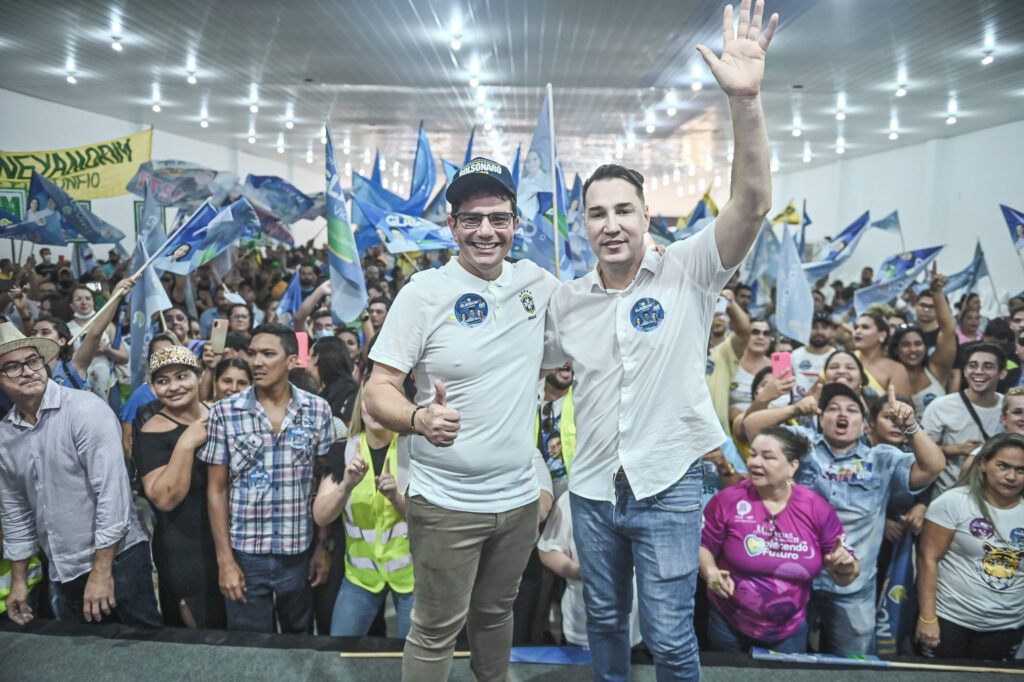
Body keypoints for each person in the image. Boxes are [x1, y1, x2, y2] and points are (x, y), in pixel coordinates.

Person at [541, 2, 778, 677]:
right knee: (604, 622)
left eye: (624, 210)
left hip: (669, 485)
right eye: (597, 213)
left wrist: (745, 101)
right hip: (592, 488)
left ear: (647, 216)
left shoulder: (690, 270)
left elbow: (753, 202)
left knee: (671, 638)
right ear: (583, 225)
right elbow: (529, 366)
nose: (611, 224)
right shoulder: (568, 301)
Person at [365, 156, 559, 681]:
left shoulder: (537, 283)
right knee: (435, 629)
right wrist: (418, 418)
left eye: (498, 218)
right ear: (452, 226)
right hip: (446, 502)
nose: (485, 231)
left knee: (496, 614)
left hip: (518, 500)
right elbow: (377, 389)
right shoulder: (423, 292)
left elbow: (572, 338)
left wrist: (648, 258)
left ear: (516, 223)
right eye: (471, 219)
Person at [743, 383, 944, 655]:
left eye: (851, 410)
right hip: (795, 580)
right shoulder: (802, 444)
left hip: (854, 587)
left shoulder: (882, 457)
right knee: (787, 662)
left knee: (853, 664)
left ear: (864, 424)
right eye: (833, 408)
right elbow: (752, 426)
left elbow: (934, 466)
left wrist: (911, 426)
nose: (842, 414)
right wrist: (796, 409)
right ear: (821, 418)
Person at [0, 322, 160, 627]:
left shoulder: (85, 410)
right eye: (12, 367)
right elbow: (16, 512)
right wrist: (19, 580)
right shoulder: (5, 435)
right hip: (63, 566)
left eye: (33, 361)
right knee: (79, 652)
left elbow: (113, 496)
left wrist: (102, 572)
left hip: (119, 560)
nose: (27, 371)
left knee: (141, 647)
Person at [196, 323, 333, 633]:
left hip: (298, 551)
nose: (257, 362)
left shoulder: (317, 410)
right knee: (250, 647)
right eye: (253, 353)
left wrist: (323, 546)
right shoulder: (225, 412)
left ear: (291, 360)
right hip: (245, 553)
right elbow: (216, 489)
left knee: (298, 641)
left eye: (268, 354)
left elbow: (324, 482)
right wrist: (225, 561)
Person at [700, 427, 859, 653]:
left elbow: (847, 574)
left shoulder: (816, 509)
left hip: (789, 631)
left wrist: (845, 567)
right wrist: (710, 573)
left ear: (792, 466)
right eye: (753, 454)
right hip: (729, 624)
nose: (755, 462)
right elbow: (704, 546)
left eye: (767, 457)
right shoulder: (728, 500)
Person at [133, 346, 225, 629]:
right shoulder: (151, 432)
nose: (173, 387)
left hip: (229, 539)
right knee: (200, 633)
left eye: (181, 376)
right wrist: (186, 443)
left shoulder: (217, 413)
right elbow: (164, 499)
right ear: (153, 388)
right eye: (163, 381)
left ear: (199, 376)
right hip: (186, 549)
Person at [313, 388, 413, 637]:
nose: (376, 408)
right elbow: (321, 516)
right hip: (360, 577)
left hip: (412, 576)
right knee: (339, 651)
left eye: (384, 400)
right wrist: (345, 486)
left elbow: (431, 519)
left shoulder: (414, 448)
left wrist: (396, 498)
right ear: (360, 407)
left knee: (414, 655)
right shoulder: (343, 451)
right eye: (370, 401)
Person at [916, 433, 1024, 660]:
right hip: (950, 619)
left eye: (1021, 470)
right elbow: (927, 560)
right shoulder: (953, 502)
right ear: (983, 463)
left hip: (1006, 625)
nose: (1011, 476)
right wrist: (927, 618)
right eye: (1003, 466)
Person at [538, 492, 643, 649]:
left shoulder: (642, 497)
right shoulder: (570, 498)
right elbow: (548, 551)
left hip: (635, 629)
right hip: (582, 628)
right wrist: (579, 572)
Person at [922, 342, 1006, 497]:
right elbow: (920, 453)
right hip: (949, 495)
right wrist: (953, 449)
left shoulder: (1011, 408)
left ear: (1002, 373)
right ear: (965, 371)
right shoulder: (941, 406)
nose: (979, 371)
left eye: (988, 366)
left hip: (997, 497)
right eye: (973, 365)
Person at [66, 284, 129, 405]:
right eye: (78, 299)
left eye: (88, 298)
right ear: (71, 304)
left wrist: (106, 350)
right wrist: (87, 350)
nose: (84, 302)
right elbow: (64, 361)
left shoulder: (108, 325)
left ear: (94, 302)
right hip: (80, 386)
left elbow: (125, 357)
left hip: (109, 386)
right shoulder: (67, 329)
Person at [852, 311, 910, 398]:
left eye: (865, 327)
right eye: (856, 327)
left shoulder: (896, 370)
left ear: (882, 335)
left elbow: (898, 405)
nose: (858, 331)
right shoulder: (846, 360)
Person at [729, 318, 773, 418]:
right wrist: (728, 410)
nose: (761, 337)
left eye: (766, 333)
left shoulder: (778, 368)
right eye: (755, 332)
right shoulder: (731, 365)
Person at [791, 312, 837, 400]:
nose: (819, 332)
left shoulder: (837, 356)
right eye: (814, 327)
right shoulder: (795, 355)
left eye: (824, 327)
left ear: (832, 331)